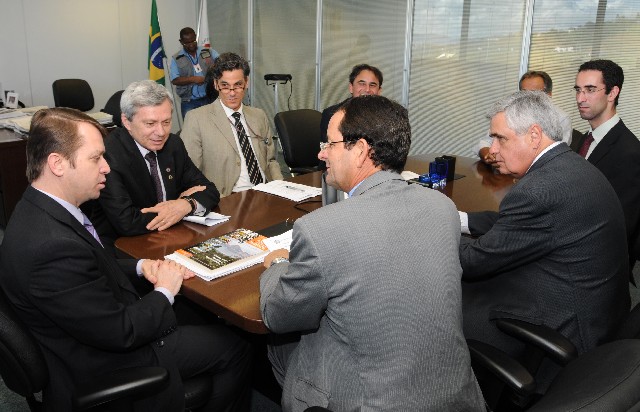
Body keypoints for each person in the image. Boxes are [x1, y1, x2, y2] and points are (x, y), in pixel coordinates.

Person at [0, 108, 251, 411]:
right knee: (237, 344)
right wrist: (164, 290)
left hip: (89, 329)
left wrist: (141, 266)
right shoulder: (51, 247)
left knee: (200, 314)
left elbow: (88, 267)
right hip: (106, 361)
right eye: (96, 158)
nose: (106, 167)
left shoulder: (38, 209)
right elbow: (122, 331)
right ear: (58, 164)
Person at [260, 95, 484, 411]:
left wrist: (279, 263)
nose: (321, 153)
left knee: (276, 343)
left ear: (361, 150)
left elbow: (279, 316)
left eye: (330, 144)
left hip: (369, 402)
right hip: (455, 396)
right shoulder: (443, 207)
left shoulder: (319, 228)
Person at [460, 91, 630, 380]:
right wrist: (461, 220)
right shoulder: (569, 165)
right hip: (597, 309)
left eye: (500, 138)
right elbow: (516, 223)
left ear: (534, 135)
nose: (493, 149)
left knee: (445, 303)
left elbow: (473, 262)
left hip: (567, 329)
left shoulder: (539, 190)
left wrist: (433, 228)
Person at [84, 80, 220, 247]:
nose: (161, 132)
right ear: (126, 121)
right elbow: (127, 222)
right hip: (124, 247)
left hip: (170, 237)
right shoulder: (108, 154)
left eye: (166, 122)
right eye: (150, 124)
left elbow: (210, 190)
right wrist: (175, 210)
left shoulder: (173, 144)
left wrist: (185, 204)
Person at [572, 59, 640, 280]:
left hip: (597, 269)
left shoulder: (630, 152)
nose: (580, 98)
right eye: (578, 90)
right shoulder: (585, 139)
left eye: (590, 90)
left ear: (612, 93)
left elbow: (619, 227)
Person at [181, 52, 283, 197]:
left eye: (238, 85)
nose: (232, 93)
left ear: (246, 83)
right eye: (225, 86)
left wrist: (280, 186)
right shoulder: (196, 119)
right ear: (216, 84)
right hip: (227, 198)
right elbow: (191, 174)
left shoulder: (259, 115)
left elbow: (271, 160)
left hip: (267, 192)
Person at [476, 70, 574, 164]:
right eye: (523, 93)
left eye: (534, 93)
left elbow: (556, 156)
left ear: (548, 95)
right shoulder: (508, 113)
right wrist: (487, 155)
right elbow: (485, 142)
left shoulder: (561, 118)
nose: (527, 98)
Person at [319, 63, 383, 143]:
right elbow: (327, 148)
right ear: (351, 87)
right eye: (362, 83)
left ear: (379, 91)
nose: (367, 89)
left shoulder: (388, 116)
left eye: (372, 85)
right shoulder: (331, 114)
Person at [170, 27, 219, 118]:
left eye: (193, 41)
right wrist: (193, 79)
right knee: (191, 126)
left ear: (195, 37)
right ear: (181, 42)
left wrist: (214, 69)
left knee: (212, 124)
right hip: (189, 102)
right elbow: (175, 80)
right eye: (187, 43)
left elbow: (222, 62)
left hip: (209, 98)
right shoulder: (176, 58)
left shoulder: (207, 51)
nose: (191, 45)